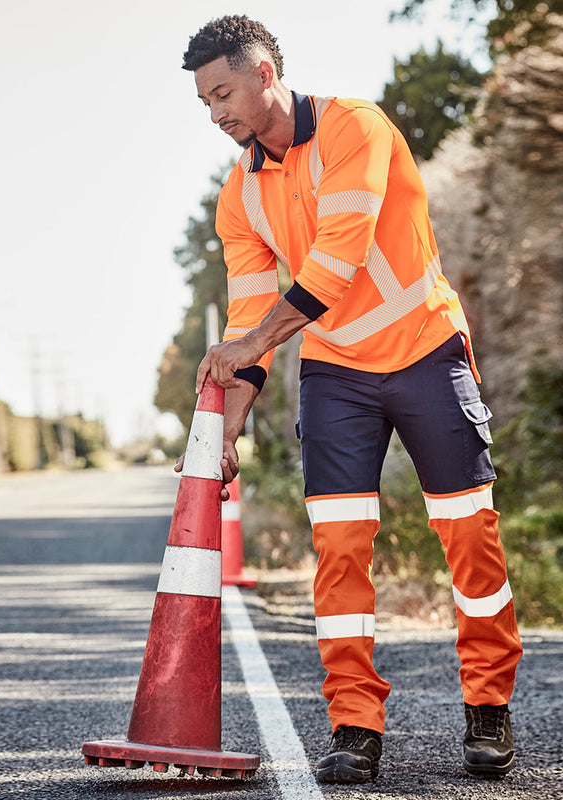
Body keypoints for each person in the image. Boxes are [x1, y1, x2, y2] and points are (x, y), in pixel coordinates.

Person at [180, 14, 523, 784]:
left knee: (468, 534)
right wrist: (232, 413)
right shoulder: (240, 196)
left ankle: (489, 707)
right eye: (204, 103)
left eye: (224, 93)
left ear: (264, 73)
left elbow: (334, 266)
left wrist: (251, 347)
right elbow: (248, 315)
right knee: (338, 546)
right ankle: (354, 723)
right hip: (334, 371)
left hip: (426, 352)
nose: (216, 114)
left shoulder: (355, 130)